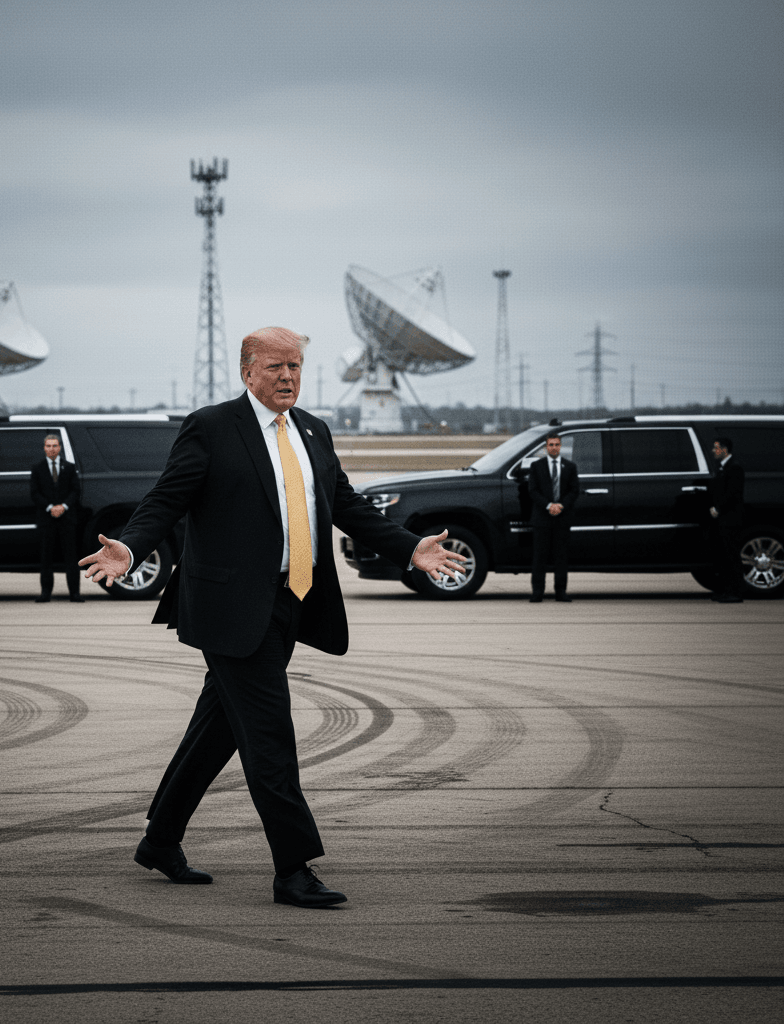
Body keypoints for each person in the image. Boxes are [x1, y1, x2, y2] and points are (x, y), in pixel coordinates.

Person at [78, 327, 466, 908]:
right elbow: (166, 499)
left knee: (216, 732)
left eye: (296, 367)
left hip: (292, 600)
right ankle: (293, 868)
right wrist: (130, 549)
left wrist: (410, 548)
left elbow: (349, 507)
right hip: (229, 608)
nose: (288, 376)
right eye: (276, 366)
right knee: (270, 738)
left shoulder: (312, 430)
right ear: (247, 371)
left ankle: (159, 841)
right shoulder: (212, 427)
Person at [30, 433, 84, 603]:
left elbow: (76, 491)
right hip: (46, 519)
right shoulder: (37, 468)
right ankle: (45, 593)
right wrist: (50, 508)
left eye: (54, 446)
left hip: (67, 518)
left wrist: (63, 507)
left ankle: (74, 594)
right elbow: (34, 493)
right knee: (46, 558)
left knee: (71, 558)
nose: (51, 449)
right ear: (44, 448)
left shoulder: (69, 467)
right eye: (48, 446)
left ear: (59, 448)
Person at [527, 431, 579, 603]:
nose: (554, 447)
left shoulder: (570, 467)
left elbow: (574, 491)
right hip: (542, 518)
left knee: (561, 558)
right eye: (551, 445)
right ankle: (537, 592)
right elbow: (532, 491)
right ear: (546, 447)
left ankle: (561, 592)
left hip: (563, 518)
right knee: (539, 557)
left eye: (557, 444)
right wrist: (549, 505)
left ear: (560, 446)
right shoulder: (537, 466)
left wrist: (561, 505)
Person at [708, 436, 745, 603]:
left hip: (731, 519)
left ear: (725, 449)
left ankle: (736, 593)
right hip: (723, 520)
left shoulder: (734, 468)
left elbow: (732, 493)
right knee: (724, 556)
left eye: (716, 448)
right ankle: (726, 591)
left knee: (732, 557)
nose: (713, 451)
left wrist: (718, 508)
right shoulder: (723, 468)